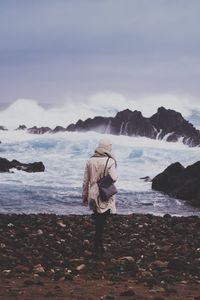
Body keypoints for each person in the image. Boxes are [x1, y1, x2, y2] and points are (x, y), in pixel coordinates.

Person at [82, 137, 117, 258]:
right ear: (107, 147)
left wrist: (84, 196)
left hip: (92, 194)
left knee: (98, 220)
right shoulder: (110, 161)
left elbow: (85, 181)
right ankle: (97, 247)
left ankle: (98, 245)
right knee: (102, 222)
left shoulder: (90, 160)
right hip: (104, 194)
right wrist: (103, 181)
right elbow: (114, 177)